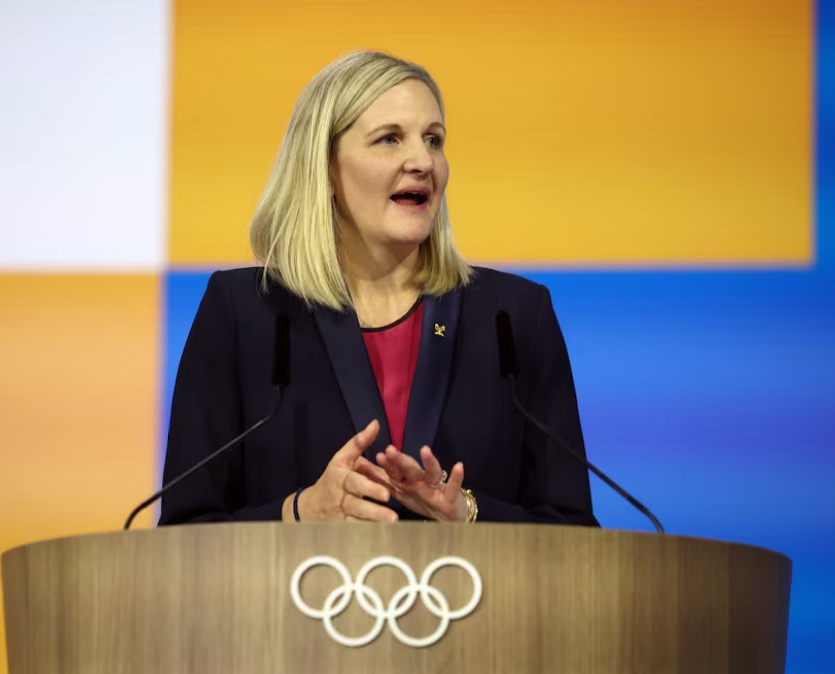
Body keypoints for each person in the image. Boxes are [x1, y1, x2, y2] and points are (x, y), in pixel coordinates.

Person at [159, 51, 598, 526]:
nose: (422, 161)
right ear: (324, 168)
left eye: (434, 139)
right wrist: (301, 513)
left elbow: (574, 532)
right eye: (389, 139)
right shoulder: (245, 312)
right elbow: (184, 532)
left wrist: (468, 514)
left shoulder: (513, 318)